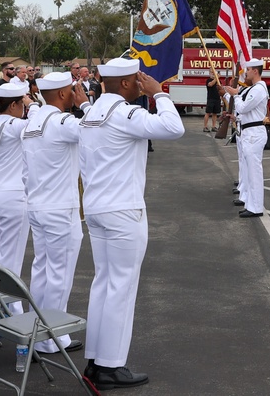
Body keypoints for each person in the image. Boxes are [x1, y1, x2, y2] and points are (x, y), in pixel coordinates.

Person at [79, 57, 185, 390]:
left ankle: (96, 361)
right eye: (137, 80)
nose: (142, 83)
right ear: (125, 84)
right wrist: (160, 94)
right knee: (121, 288)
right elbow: (173, 128)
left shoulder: (92, 112)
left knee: (103, 284)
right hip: (123, 211)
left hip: (96, 208)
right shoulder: (127, 114)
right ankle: (111, 366)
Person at [21, 72, 90, 355]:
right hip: (60, 208)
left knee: (42, 271)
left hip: (37, 204)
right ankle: (52, 338)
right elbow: (97, 128)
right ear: (62, 95)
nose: (75, 93)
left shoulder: (32, 121)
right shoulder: (63, 122)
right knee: (60, 275)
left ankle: (37, 329)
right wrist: (86, 105)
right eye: (71, 90)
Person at [0, 82, 36, 316]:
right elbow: (39, 125)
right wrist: (32, 105)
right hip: (13, 196)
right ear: (14, 105)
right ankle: (12, 310)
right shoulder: (15, 125)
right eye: (21, 103)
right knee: (12, 256)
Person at [223, 59, 268, 219]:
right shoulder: (255, 89)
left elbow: (242, 107)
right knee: (249, 171)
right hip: (249, 132)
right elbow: (246, 113)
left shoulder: (259, 89)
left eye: (248, 70)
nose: (246, 73)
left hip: (254, 134)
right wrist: (236, 118)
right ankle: (249, 202)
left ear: (255, 71)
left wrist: (235, 95)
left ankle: (256, 208)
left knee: (254, 172)